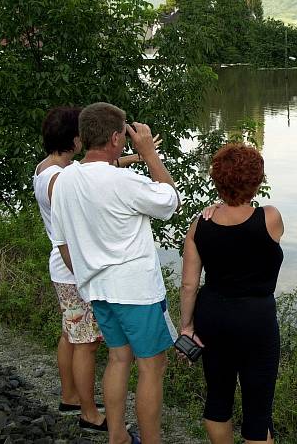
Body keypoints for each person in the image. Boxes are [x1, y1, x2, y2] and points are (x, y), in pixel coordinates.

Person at [50, 102, 179, 444]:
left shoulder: (64, 180)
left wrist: (85, 275)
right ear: (115, 139)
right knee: (152, 367)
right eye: (123, 135)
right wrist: (149, 153)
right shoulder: (124, 181)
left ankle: (117, 437)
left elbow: (62, 243)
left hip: (97, 289)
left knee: (119, 358)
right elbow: (169, 201)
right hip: (135, 291)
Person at [179, 143, 284, 444]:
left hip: (212, 317)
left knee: (218, 399)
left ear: (216, 180)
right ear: (258, 181)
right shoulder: (271, 218)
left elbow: (189, 285)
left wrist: (187, 327)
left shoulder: (199, 225)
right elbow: (246, 224)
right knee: (258, 409)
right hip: (256, 320)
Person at [33, 106, 106, 432]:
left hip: (63, 268)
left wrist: (134, 159)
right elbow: (74, 227)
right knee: (86, 342)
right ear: (75, 140)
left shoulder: (46, 168)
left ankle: (70, 396)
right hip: (73, 269)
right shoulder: (61, 180)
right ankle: (89, 413)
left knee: (71, 334)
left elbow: (94, 170)